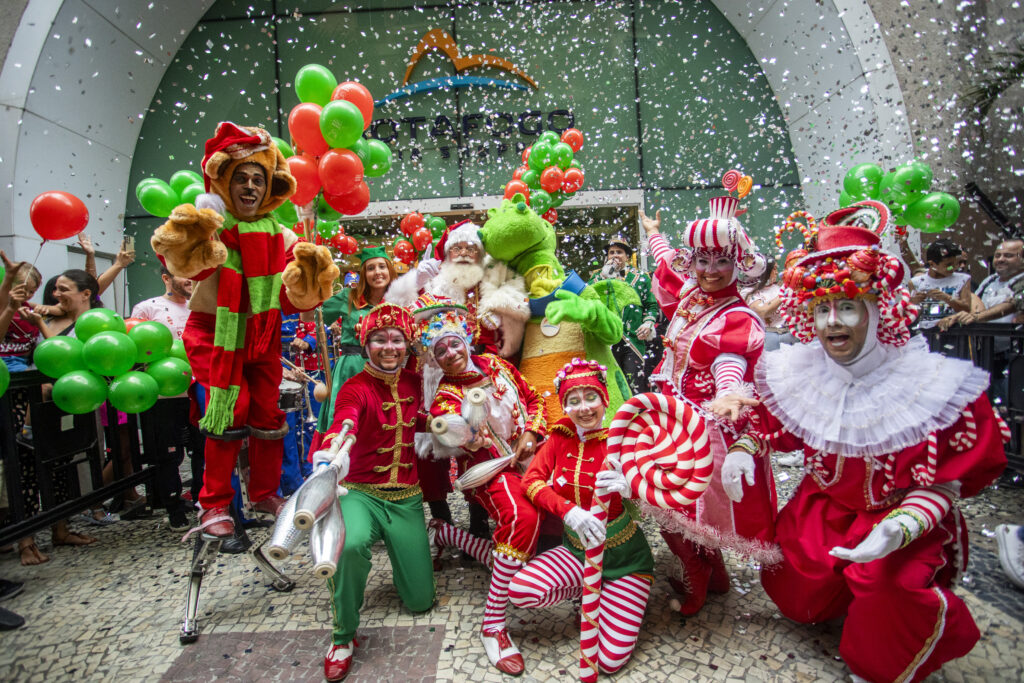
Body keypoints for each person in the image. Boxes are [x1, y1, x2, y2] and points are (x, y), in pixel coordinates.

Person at [730, 202, 1007, 683]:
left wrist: (902, 526)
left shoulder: (931, 386)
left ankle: (889, 645)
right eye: (821, 309)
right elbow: (775, 430)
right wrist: (742, 451)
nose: (831, 322)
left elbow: (954, 477)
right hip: (826, 506)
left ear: (879, 308)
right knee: (797, 596)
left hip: (901, 512)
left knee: (886, 586)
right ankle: (837, 593)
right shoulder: (803, 373)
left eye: (847, 306)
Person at [151, 122, 338, 538]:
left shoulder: (282, 235)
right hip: (215, 331)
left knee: (269, 414)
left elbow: (289, 299)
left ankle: (265, 491)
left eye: (259, 179)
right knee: (228, 411)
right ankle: (213, 504)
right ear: (223, 182)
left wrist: (310, 283)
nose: (251, 186)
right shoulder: (210, 225)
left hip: (264, 332)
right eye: (242, 178)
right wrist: (193, 239)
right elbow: (185, 263)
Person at [638, 197, 778, 617]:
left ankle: (698, 574)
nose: (708, 270)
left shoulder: (736, 317)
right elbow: (667, 265)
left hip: (709, 426)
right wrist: (652, 233)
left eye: (720, 261)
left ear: (739, 264)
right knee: (677, 505)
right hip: (675, 419)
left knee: (680, 505)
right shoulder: (691, 295)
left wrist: (727, 394)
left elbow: (729, 366)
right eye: (701, 259)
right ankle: (711, 572)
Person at [509, 357, 653, 675]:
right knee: (521, 590)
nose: (583, 408)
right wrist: (569, 512)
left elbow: (662, 488)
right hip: (576, 551)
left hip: (624, 560)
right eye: (573, 401)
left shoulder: (624, 439)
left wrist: (634, 486)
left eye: (591, 398)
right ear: (565, 406)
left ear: (604, 399)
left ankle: (618, 598)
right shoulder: (560, 437)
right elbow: (531, 482)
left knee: (608, 661)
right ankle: (583, 594)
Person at [423, 306, 546, 676]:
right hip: (490, 471)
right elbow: (454, 432)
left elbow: (535, 398)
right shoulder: (443, 397)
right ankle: (492, 624)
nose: (450, 354)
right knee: (522, 516)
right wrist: (461, 433)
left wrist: (532, 432)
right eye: (440, 350)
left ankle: (447, 534)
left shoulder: (498, 367)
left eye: (453, 344)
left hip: (534, 454)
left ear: (466, 341)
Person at [316, 302, 435, 682]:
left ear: (407, 344)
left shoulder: (417, 384)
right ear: (366, 345)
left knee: (420, 603)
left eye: (397, 339)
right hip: (359, 493)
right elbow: (344, 418)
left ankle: (414, 558)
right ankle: (342, 636)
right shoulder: (354, 387)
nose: (389, 347)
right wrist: (337, 442)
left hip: (406, 498)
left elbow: (436, 416)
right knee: (349, 547)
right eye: (380, 340)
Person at [131, 266, 200, 531]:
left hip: (197, 391)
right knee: (168, 454)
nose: (190, 280)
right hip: (163, 395)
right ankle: (173, 508)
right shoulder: (147, 309)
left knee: (201, 449)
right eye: (184, 274)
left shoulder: (201, 308)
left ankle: (199, 499)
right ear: (166, 278)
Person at [308, 246, 396, 453]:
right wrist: (311, 287)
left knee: (383, 423)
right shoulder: (348, 296)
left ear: (390, 271)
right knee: (347, 422)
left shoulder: (399, 299)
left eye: (382, 266)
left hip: (386, 370)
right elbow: (313, 317)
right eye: (371, 268)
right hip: (353, 368)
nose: (377, 272)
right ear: (364, 274)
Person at [587, 236, 659, 394]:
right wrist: (604, 277)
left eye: (619, 252)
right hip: (605, 341)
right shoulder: (597, 278)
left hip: (632, 340)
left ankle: (634, 417)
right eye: (611, 252)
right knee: (609, 386)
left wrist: (647, 324)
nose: (614, 255)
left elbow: (652, 305)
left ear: (627, 256)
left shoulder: (641, 278)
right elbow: (588, 298)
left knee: (633, 385)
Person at [909, 238, 972, 329]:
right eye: (948, 265)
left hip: (954, 332)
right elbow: (912, 315)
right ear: (932, 264)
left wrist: (947, 298)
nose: (953, 268)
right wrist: (913, 302)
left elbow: (967, 309)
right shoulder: (915, 282)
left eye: (956, 264)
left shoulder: (963, 279)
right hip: (926, 335)